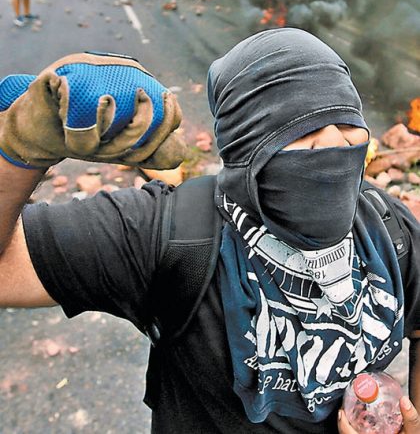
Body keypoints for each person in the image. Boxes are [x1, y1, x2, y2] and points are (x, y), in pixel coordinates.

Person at [0, 29, 419, 434]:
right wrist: (19, 153)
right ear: (243, 146)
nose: (334, 145)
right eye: (302, 129)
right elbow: (6, 272)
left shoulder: (388, 227)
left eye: (346, 124)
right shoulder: (165, 231)